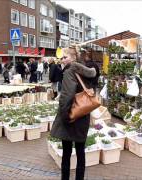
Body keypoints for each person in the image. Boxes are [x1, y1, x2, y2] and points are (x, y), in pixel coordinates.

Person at [50, 47, 96, 180]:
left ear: (73, 58)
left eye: (65, 57)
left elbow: (67, 96)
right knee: (80, 152)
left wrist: (64, 116)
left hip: (71, 116)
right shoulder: (85, 71)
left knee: (67, 153)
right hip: (83, 114)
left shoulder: (70, 72)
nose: (63, 60)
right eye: (62, 58)